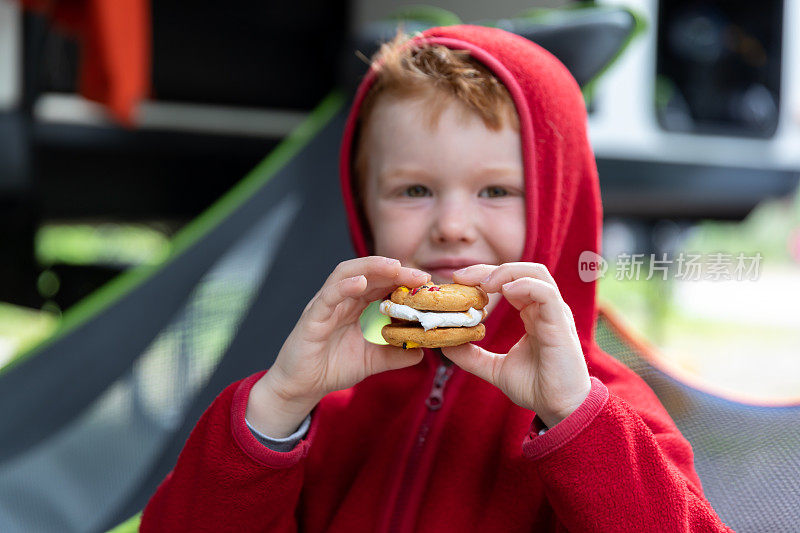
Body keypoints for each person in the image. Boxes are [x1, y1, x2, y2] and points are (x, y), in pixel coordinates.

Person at [141, 25, 732, 532]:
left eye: (496, 191)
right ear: (363, 209)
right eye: (414, 191)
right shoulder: (328, 405)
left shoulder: (602, 409)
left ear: (559, 207)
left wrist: (576, 421)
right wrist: (277, 408)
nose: (451, 226)